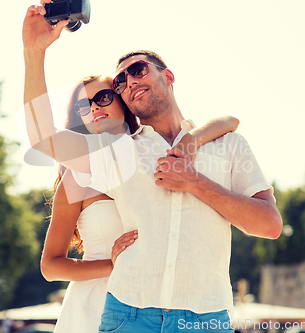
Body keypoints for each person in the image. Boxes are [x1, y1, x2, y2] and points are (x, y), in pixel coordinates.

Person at [23, 0, 283, 332]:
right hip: (128, 314)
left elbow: (270, 225)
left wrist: (195, 182)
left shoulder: (229, 145)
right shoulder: (118, 151)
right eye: (120, 81)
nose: (128, 81)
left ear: (168, 75)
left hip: (207, 317)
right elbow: (43, 138)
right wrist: (35, 51)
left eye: (137, 70)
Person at [38, 73, 239, 333]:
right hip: (94, 305)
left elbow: (230, 121)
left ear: (123, 102)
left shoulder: (152, 156)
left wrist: (192, 139)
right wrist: (112, 265)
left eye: (103, 97)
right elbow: (50, 266)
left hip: (157, 301)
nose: (95, 107)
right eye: (84, 106)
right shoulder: (76, 179)